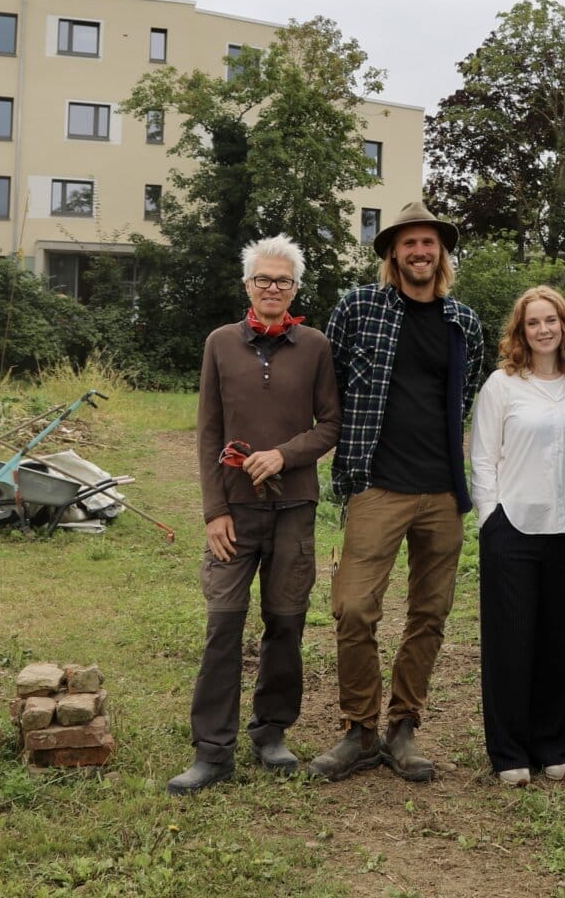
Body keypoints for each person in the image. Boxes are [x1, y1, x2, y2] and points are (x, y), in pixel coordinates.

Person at [309, 201, 483, 784]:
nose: (419, 252)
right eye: (408, 244)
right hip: (376, 486)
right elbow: (326, 386)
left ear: (442, 253)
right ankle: (359, 730)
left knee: (429, 614)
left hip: (441, 493)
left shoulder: (464, 323)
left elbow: (464, 398)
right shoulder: (358, 308)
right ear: (392, 253)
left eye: (429, 243)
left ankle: (403, 726)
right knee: (354, 608)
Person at [170, 235, 341, 794]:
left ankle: (271, 732)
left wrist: (284, 455)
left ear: (295, 289)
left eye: (283, 281)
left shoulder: (314, 345)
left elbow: (330, 425)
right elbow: (208, 432)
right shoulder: (220, 343)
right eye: (263, 280)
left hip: (294, 508)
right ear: (247, 286)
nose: (273, 288)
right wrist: (213, 510)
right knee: (223, 625)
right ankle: (212, 751)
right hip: (235, 514)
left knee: (286, 624)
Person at [469, 286, 565, 788]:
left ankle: (553, 745)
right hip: (514, 527)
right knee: (511, 642)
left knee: (563, 642)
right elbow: (482, 456)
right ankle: (509, 751)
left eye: (551, 320)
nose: (543, 329)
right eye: (532, 323)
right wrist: (490, 518)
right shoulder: (502, 385)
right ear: (520, 332)